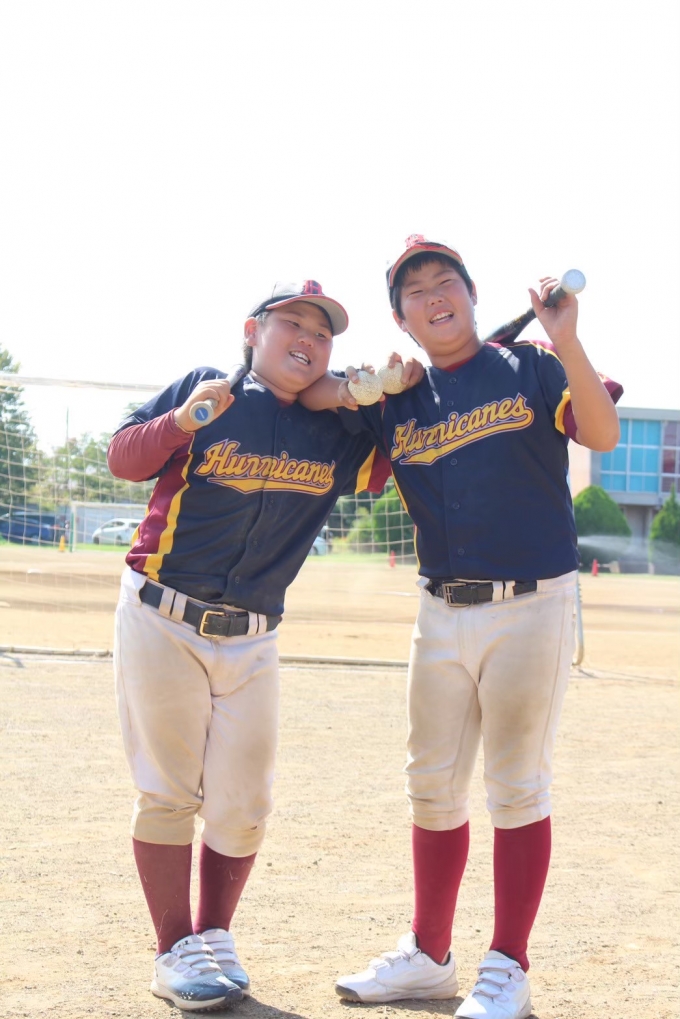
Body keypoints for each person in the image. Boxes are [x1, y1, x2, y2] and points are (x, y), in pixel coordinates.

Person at [299, 236, 622, 1019]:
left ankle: (508, 964)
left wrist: (568, 339)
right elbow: (307, 396)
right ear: (402, 319)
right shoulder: (398, 397)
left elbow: (603, 432)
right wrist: (363, 382)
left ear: (473, 296)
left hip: (531, 600)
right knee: (432, 785)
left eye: (445, 280)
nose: (433, 295)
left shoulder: (532, 365)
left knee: (516, 785)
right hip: (439, 606)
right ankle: (430, 955)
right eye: (415, 291)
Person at [108, 280, 417, 1012]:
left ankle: (215, 935)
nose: (308, 339)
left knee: (244, 801)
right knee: (168, 791)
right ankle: (173, 949)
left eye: (323, 332)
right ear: (254, 331)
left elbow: (399, 456)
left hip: (253, 634)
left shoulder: (340, 433)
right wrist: (183, 419)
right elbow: (124, 457)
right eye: (293, 324)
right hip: (163, 614)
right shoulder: (208, 389)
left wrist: (374, 391)